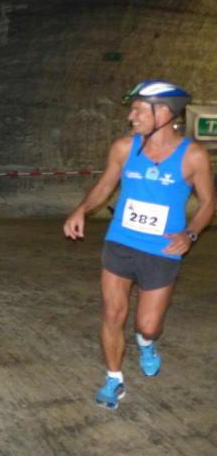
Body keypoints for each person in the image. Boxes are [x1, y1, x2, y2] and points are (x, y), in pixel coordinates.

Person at [63, 80, 214, 410]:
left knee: (148, 325)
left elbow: (208, 203)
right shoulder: (123, 148)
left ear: (164, 113)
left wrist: (189, 234)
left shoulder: (193, 156)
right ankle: (113, 380)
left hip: (161, 250)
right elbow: (105, 187)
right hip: (120, 241)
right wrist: (81, 209)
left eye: (138, 110)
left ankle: (146, 342)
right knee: (112, 313)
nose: (131, 116)